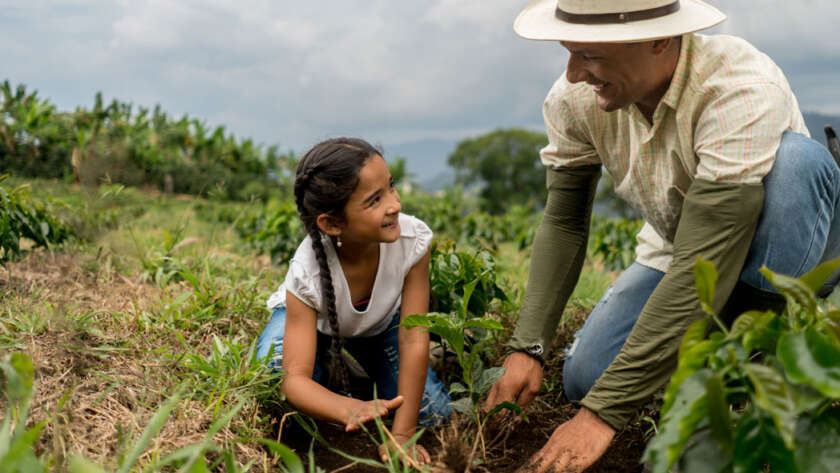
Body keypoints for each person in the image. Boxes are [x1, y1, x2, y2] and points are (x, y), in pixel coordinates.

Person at [484, 1, 840, 472]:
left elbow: (704, 263)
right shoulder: (574, 100)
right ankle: (711, 354)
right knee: (586, 377)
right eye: (569, 52)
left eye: (590, 56)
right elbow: (565, 222)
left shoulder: (738, 86)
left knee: (799, 161)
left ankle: (759, 342)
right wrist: (528, 345)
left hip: (792, 247)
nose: (573, 74)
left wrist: (601, 416)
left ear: (659, 41)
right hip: (679, 246)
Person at [257, 137, 451, 465]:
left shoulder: (413, 241)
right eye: (374, 200)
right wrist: (346, 408)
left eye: (391, 187)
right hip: (315, 327)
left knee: (433, 412)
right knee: (275, 376)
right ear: (332, 224)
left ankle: (361, 370)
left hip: (378, 327)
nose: (394, 204)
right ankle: (329, 366)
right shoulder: (307, 271)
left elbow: (413, 339)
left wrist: (402, 435)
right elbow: (294, 379)